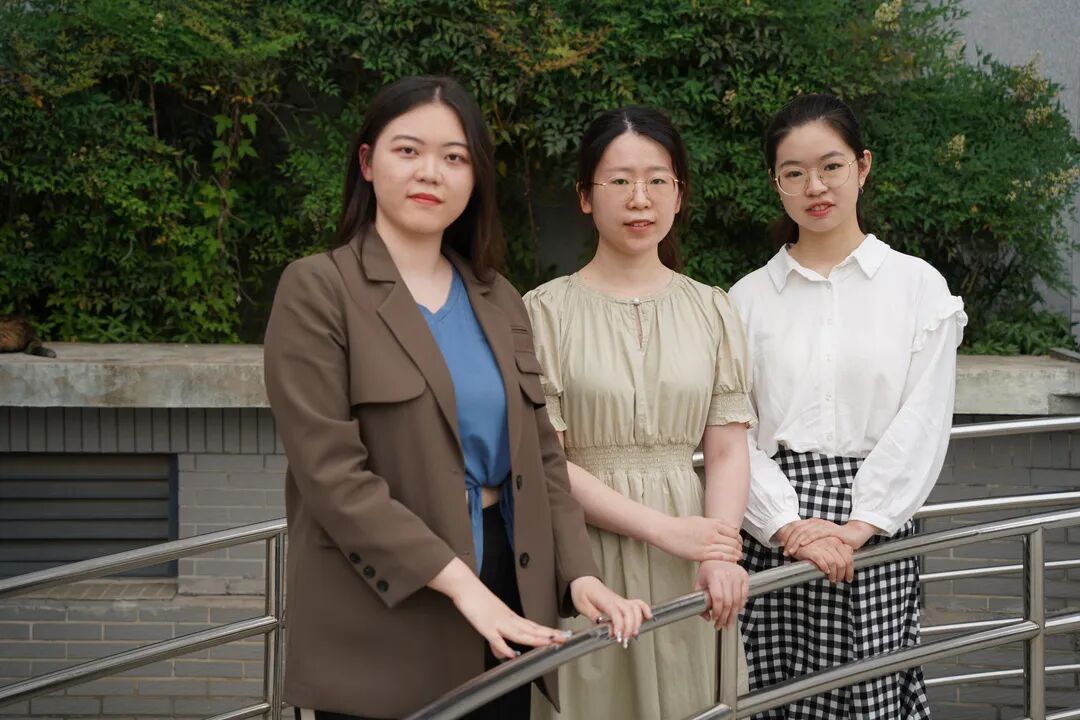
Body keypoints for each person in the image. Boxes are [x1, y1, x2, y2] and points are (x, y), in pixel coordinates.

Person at [263, 75, 650, 720]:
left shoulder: (497, 297)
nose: (430, 173)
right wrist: (463, 587)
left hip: (507, 585)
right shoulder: (318, 289)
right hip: (388, 602)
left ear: (475, 178)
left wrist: (579, 574)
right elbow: (332, 477)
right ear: (367, 162)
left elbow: (541, 459)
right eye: (408, 150)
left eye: (455, 157)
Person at [730, 93, 966, 719]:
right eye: (794, 172)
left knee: (872, 697)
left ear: (863, 166)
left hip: (876, 526)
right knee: (773, 694)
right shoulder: (745, 300)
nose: (815, 187)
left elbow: (924, 421)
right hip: (774, 528)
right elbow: (730, 433)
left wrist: (859, 524)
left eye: (831, 166)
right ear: (775, 183)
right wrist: (787, 525)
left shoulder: (917, 287)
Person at [525, 106, 754, 720]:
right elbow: (546, 461)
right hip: (585, 556)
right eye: (620, 180)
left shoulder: (712, 309)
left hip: (691, 557)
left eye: (657, 180)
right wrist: (663, 530)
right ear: (585, 196)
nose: (639, 198)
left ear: (679, 194)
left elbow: (728, 449)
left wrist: (717, 551)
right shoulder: (543, 312)